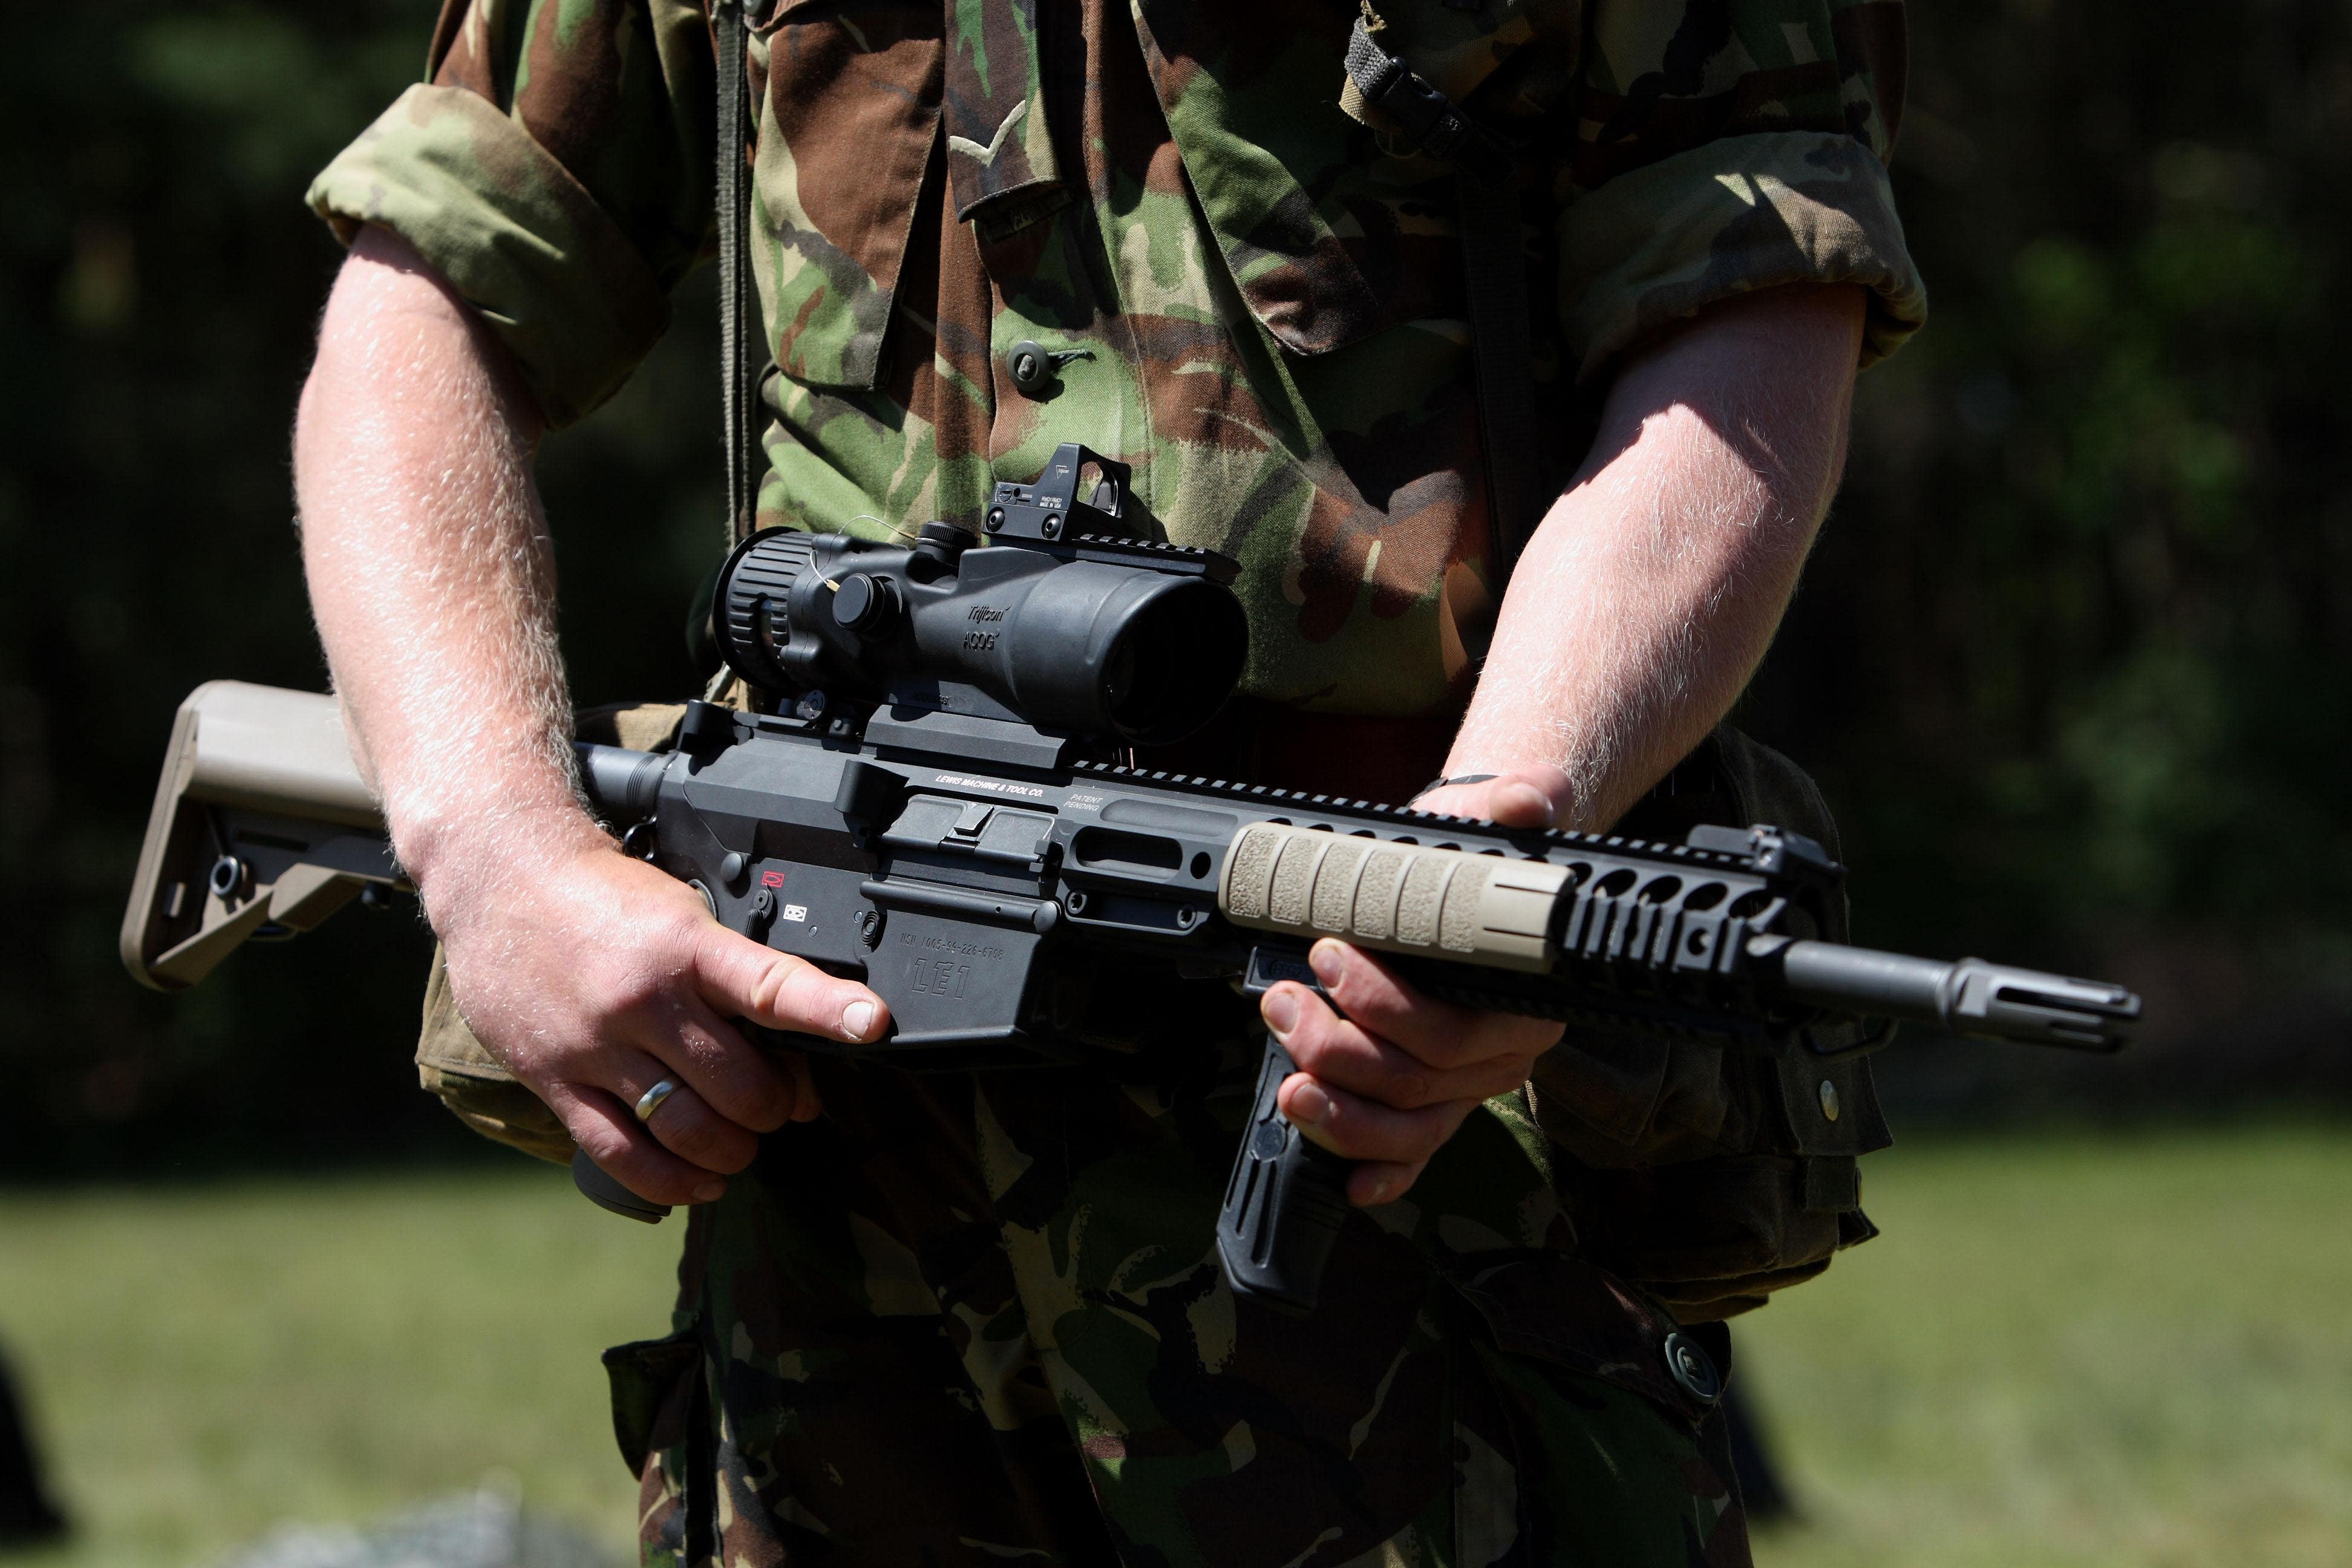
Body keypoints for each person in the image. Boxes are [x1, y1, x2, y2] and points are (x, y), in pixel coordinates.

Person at [293, 1, 1925, 1562]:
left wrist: (1507, 824)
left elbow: (1752, 301)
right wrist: (497, 847)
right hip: (830, 1186)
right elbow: (423, 295)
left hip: (1395, 1134)